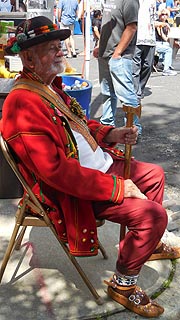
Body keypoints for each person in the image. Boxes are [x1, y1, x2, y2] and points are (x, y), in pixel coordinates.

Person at [2, 16, 180, 318]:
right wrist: (117, 187)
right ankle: (123, 284)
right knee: (153, 215)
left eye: (60, 46)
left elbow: (78, 124)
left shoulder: (48, 86)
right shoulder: (22, 104)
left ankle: (138, 246)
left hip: (98, 167)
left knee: (154, 175)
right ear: (28, 57)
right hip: (73, 190)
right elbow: (55, 173)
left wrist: (110, 133)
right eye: (51, 48)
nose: (61, 52)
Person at [93, 0, 142, 137]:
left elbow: (131, 27)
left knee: (126, 95)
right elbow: (107, 26)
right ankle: (107, 125)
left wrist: (118, 53)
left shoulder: (129, 1)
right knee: (107, 93)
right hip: (106, 53)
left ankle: (133, 129)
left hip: (119, 56)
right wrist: (99, 45)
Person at [155, 8, 177, 75]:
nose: (164, 16)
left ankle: (167, 63)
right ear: (159, 15)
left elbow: (169, 35)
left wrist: (173, 42)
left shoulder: (168, 23)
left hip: (163, 42)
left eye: (166, 14)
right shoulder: (158, 23)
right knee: (169, 48)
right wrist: (171, 42)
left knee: (176, 46)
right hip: (157, 42)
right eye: (162, 14)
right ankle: (166, 69)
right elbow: (162, 35)